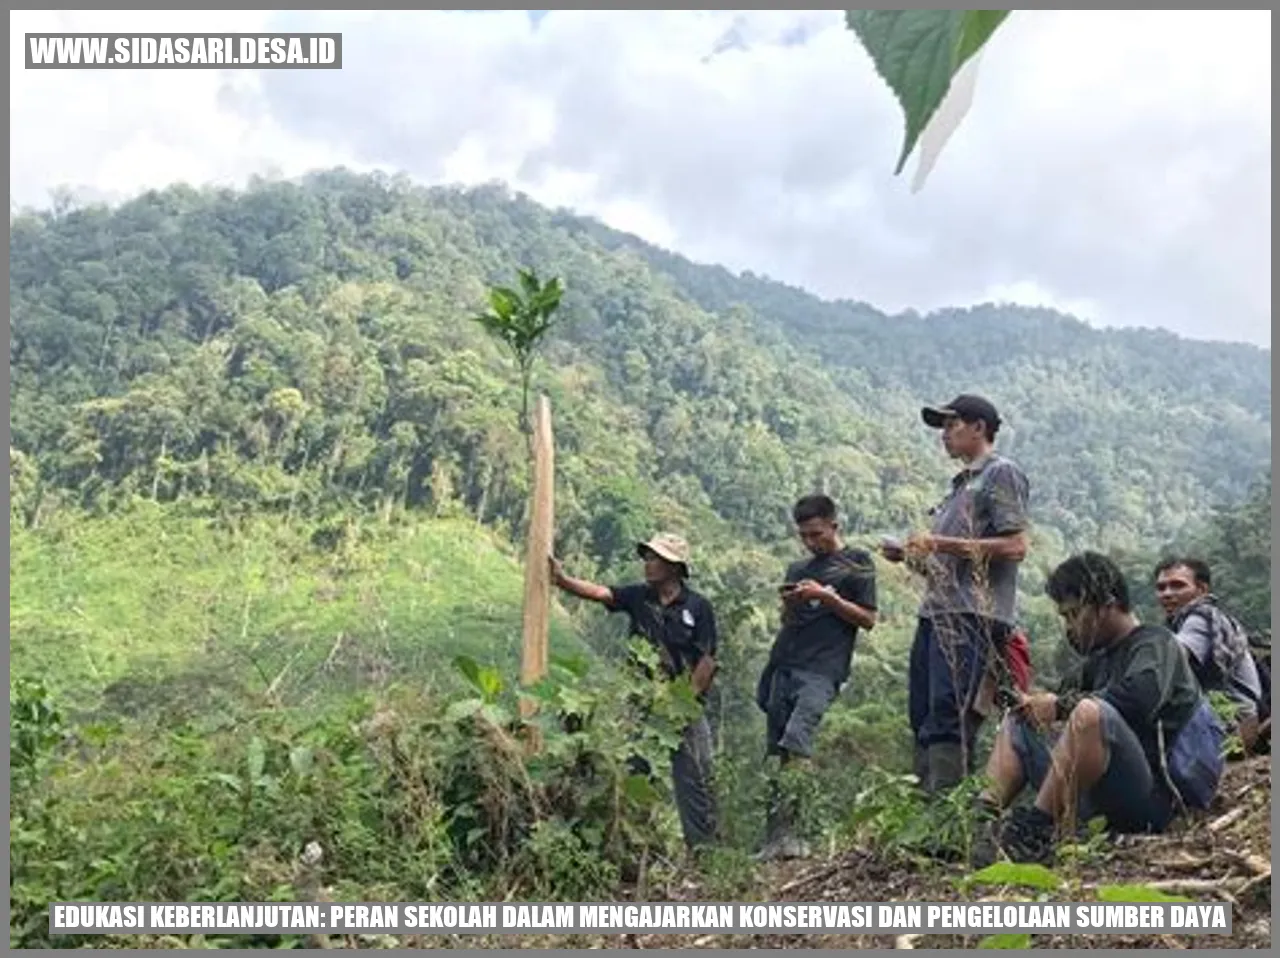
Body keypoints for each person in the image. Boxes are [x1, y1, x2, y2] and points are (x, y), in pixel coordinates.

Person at [972, 552, 1224, 866]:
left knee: (1090, 712)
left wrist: (1060, 706)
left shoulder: (1156, 643)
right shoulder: (1097, 662)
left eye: (1075, 614)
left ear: (1107, 603)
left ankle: (1037, 831)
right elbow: (1053, 710)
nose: (1071, 627)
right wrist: (1033, 705)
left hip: (1149, 802)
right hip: (1098, 795)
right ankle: (976, 824)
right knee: (1019, 720)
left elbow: (1140, 698)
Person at [881, 394, 1030, 793]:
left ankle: (946, 817)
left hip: (972, 615)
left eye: (951, 425)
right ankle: (927, 812)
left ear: (979, 427)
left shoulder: (1000, 473)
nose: (944, 435)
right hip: (938, 612)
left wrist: (940, 542)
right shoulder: (959, 487)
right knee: (924, 713)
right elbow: (946, 569)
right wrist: (910, 556)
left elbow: (1015, 546)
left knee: (950, 710)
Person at [549, 533, 719, 852]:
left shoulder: (698, 607)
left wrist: (686, 703)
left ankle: (705, 851)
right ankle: (637, 847)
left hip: (684, 705)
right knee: (633, 772)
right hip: (641, 701)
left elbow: (707, 659)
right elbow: (601, 592)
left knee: (696, 777)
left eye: (655, 558)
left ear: (674, 567)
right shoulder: (639, 597)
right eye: (647, 557)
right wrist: (562, 580)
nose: (648, 563)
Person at [755, 494, 878, 861]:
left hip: (823, 670)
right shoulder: (798, 569)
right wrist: (791, 604)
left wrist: (827, 598)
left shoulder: (857, 563)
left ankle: (800, 833)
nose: (811, 542)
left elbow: (868, 618)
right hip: (785, 664)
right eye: (804, 536)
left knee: (798, 742)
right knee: (779, 750)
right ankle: (776, 838)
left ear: (834, 526)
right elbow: (788, 621)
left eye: (817, 533)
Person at [1154, 557, 1265, 754]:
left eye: (1177, 585)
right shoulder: (1179, 623)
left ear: (1202, 589)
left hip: (1231, 726)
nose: (1167, 593)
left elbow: (1173, 656)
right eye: (1161, 588)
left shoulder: (1202, 617)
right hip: (1225, 719)